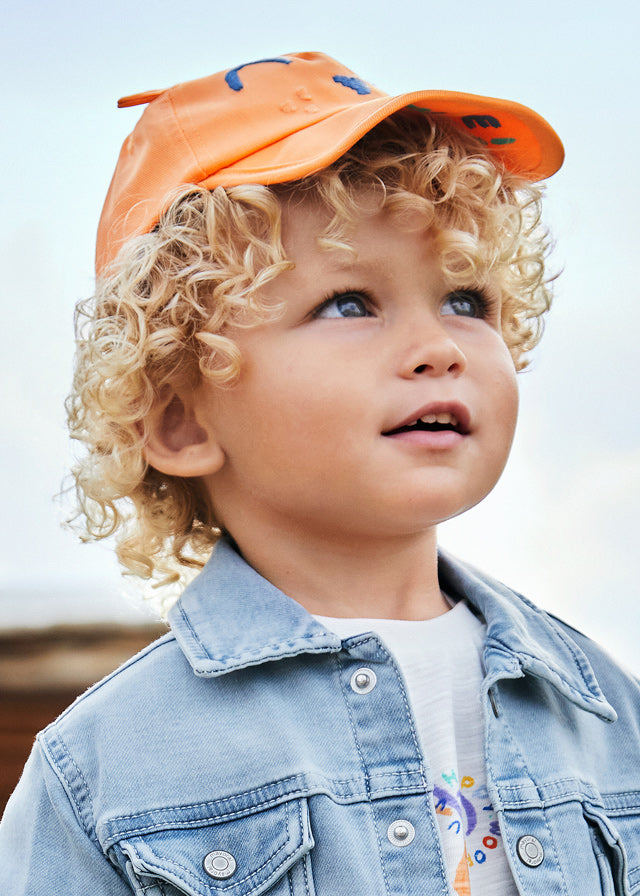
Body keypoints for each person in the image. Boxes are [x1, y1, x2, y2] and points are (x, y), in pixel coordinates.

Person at [1, 51, 638, 895]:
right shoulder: (100, 775)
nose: (438, 347)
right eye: (349, 304)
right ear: (183, 420)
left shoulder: (607, 711)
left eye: (465, 300)